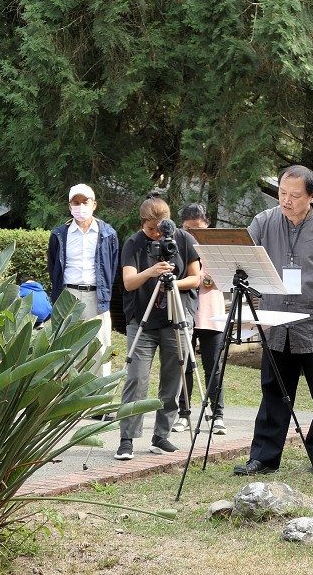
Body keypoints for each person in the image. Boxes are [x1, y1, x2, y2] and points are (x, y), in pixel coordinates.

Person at [234, 165, 313, 476]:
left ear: (312, 196)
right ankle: (264, 457)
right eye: (282, 193)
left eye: (294, 195)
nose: (286, 200)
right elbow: (246, 263)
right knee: (273, 391)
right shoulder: (264, 221)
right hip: (276, 323)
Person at [115, 192, 201, 460]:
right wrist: (151, 272)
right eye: (150, 229)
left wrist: (173, 281)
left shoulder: (183, 238)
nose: (155, 234)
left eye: (160, 228)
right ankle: (127, 438)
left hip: (176, 317)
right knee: (137, 378)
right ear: (142, 223)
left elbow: (196, 279)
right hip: (142, 318)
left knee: (174, 378)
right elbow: (129, 283)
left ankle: (161, 436)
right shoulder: (133, 243)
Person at [47, 184, 119, 387]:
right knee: (65, 346)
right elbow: (54, 267)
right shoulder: (59, 234)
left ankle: (98, 400)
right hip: (68, 295)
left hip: (96, 296)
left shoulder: (107, 234)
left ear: (94, 205)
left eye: (85, 202)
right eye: (76, 203)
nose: (81, 207)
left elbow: (111, 268)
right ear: (70, 207)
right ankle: (64, 396)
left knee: (100, 347)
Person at [174, 203, 227, 436]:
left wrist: (202, 278)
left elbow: (220, 279)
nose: (191, 234)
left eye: (197, 229)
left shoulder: (217, 247)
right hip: (184, 312)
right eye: (187, 228)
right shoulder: (176, 244)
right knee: (183, 366)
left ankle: (217, 416)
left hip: (211, 313)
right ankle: (183, 415)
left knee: (212, 367)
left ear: (207, 226)